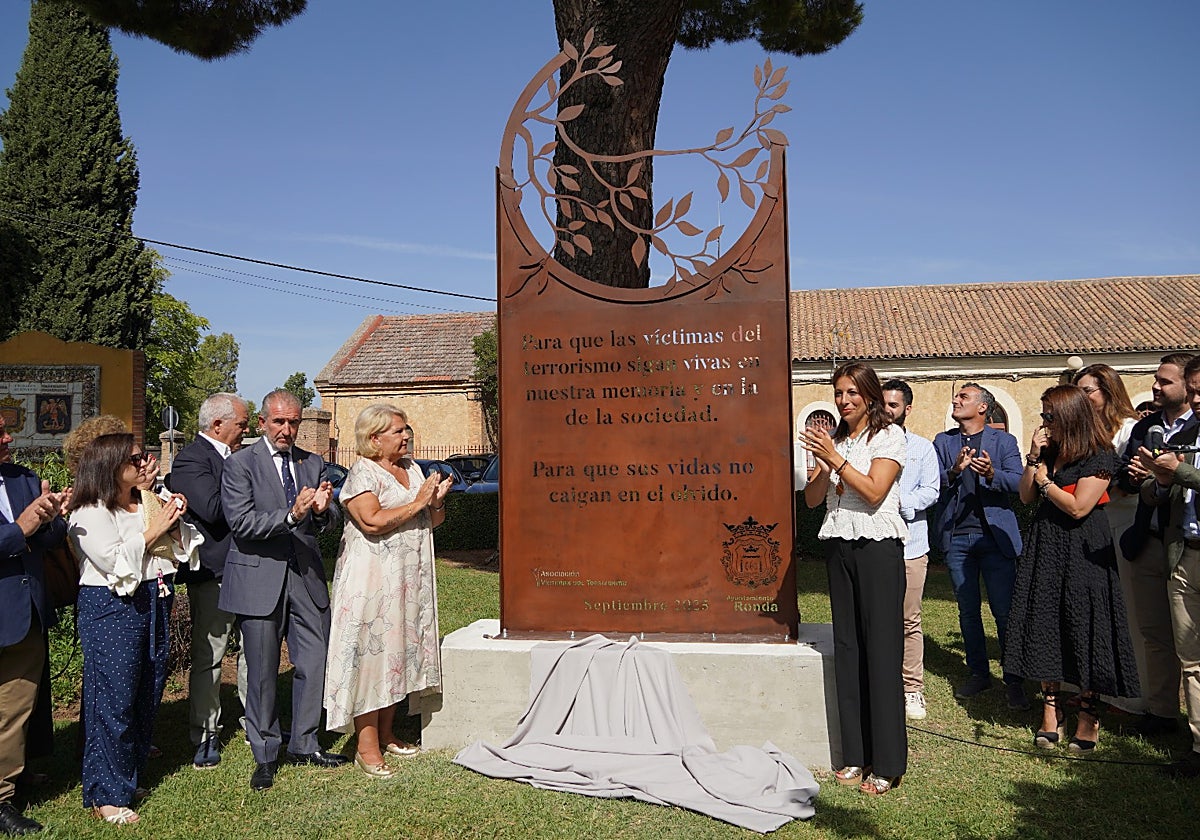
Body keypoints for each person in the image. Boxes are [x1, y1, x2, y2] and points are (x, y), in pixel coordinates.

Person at [67, 433, 200, 825]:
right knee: (114, 699)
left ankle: (128, 776)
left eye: (144, 457)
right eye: (136, 458)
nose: (145, 463)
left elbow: (182, 549)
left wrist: (172, 522)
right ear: (110, 465)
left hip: (155, 597)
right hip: (111, 607)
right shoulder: (89, 511)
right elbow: (112, 561)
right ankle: (105, 794)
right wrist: (157, 527)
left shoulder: (143, 502)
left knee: (146, 690)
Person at [219, 389, 346, 792]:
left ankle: (306, 743)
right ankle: (266, 753)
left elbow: (331, 519)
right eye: (279, 422)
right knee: (262, 673)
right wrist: (292, 515)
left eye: (293, 422)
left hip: (305, 577)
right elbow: (242, 524)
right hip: (259, 579)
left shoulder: (312, 463)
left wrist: (325, 512)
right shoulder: (241, 464)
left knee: (314, 661)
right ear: (262, 423)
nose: (287, 429)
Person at [1006, 385, 1139, 752]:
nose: (1044, 422)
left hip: (1085, 548)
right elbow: (1025, 496)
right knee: (1047, 622)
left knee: (1086, 624)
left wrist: (1046, 480)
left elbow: (1079, 507)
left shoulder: (1101, 455)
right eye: (1043, 414)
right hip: (1046, 544)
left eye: (1050, 415)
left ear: (1070, 416)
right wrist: (1034, 459)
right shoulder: (1050, 453)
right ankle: (1051, 710)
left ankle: (1088, 713)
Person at [324, 404, 450, 778]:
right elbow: (373, 522)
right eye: (398, 430)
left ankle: (387, 732)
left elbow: (432, 519)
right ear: (374, 438)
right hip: (373, 581)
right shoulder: (362, 472)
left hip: (408, 578)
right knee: (372, 656)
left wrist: (436, 501)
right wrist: (418, 502)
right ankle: (366, 746)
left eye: (406, 429)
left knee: (399, 652)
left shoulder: (412, 469)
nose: (407, 435)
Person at [800, 362, 906, 796]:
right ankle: (855, 754)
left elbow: (876, 491)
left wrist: (836, 460)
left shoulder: (890, 436)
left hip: (878, 549)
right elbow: (809, 502)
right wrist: (823, 466)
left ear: (869, 394)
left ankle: (887, 762)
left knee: (880, 651)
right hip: (839, 546)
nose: (843, 400)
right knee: (848, 648)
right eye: (838, 393)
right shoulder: (836, 441)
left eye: (851, 393)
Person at [166, 393, 250, 769]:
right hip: (213, 573)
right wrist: (256, 499)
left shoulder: (241, 457)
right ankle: (205, 733)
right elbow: (213, 509)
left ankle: (258, 725)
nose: (247, 430)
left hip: (252, 570)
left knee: (255, 652)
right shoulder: (190, 460)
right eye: (242, 424)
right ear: (218, 425)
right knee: (210, 657)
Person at [1116, 353, 1198, 736]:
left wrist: (1168, 474)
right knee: (1153, 632)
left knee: (1189, 643)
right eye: (1156, 380)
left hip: (1181, 543)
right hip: (1145, 538)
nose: (1156, 387)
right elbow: (1132, 483)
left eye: (1166, 381)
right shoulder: (1145, 426)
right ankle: (1162, 712)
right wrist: (1140, 478)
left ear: (1187, 386)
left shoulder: (1196, 429)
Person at [932, 383, 1028, 708]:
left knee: (1004, 611)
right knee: (968, 611)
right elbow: (934, 484)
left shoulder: (1004, 441)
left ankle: (1014, 679)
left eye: (964, 397)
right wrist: (955, 470)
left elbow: (1018, 482)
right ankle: (978, 673)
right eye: (956, 397)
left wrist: (991, 473)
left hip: (994, 538)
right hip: (958, 537)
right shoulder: (943, 442)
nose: (955, 401)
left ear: (983, 407)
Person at [0, 416, 68, 837]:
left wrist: (50, 517)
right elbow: (19, 533)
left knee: (15, 706)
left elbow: (51, 538)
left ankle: (8, 784)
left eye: (6, 429)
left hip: (24, 614)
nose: (9, 437)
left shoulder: (24, 478)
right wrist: (19, 529)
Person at [1136, 354, 1200, 776]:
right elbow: (1149, 490)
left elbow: (1189, 476)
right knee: (1191, 658)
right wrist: (1160, 481)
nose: (1196, 399)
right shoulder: (1164, 429)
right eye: (1194, 391)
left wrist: (1179, 472)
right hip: (1187, 551)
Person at [1072, 363, 1147, 714]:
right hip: (1089, 525)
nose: (1083, 397)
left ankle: (1131, 697)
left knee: (1127, 611)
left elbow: (1129, 482)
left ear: (1108, 391)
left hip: (1121, 522)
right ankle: (1089, 684)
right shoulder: (1084, 431)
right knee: (1091, 608)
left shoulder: (1128, 429)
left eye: (1088, 391)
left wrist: (1087, 497)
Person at [881, 380, 940, 721]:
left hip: (910, 545)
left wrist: (897, 502)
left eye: (894, 405)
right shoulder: (869, 446)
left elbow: (931, 491)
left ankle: (912, 688)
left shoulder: (921, 448)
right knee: (878, 617)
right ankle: (881, 682)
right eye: (884, 404)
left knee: (908, 618)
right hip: (874, 543)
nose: (888, 410)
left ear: (907, 409)